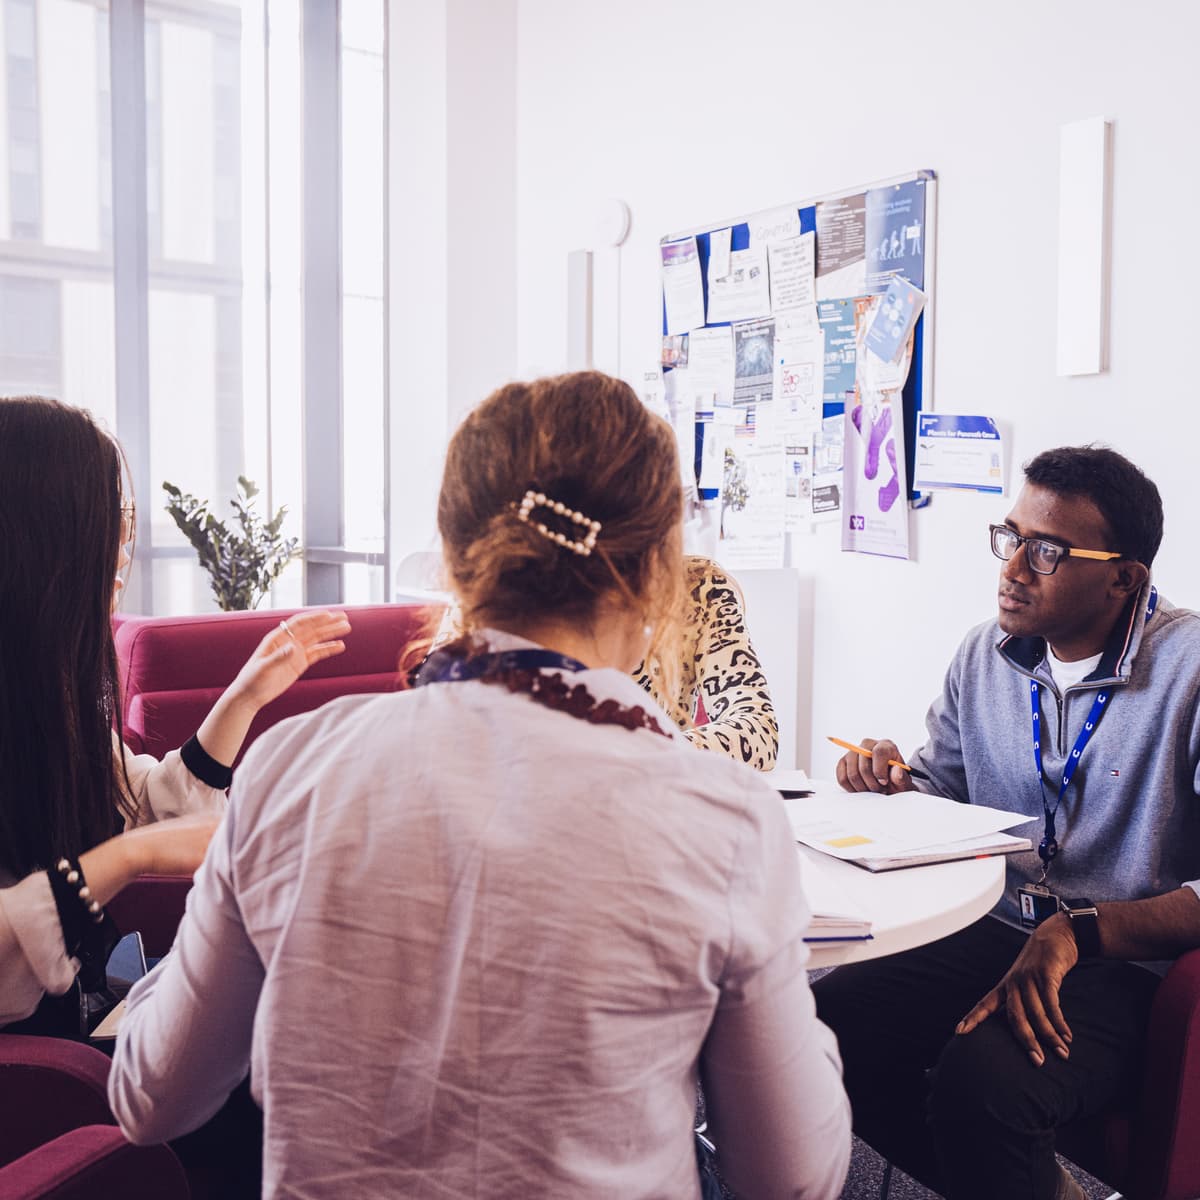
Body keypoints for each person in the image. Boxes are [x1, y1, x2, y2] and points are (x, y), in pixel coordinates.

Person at [108, 370, 851, 1199]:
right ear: (655, 578)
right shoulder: (724, 821)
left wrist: (204, 941)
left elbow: (148, 1098)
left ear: (458, 569)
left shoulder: (291, 770)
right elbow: (793, 1181)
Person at [815, 445, 1200, 1200]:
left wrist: (1080, 929)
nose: (1014, 567)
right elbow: (943, 788)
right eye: (1010, 536)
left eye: (1048, 550)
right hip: (998, 927)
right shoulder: (984, 654)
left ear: (1125, 576)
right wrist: (893, 780)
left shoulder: (1189, 671)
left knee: (985, 1085)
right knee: (819, 1029)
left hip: (1121, 958)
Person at [0, 394, 351, 1034]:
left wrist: (242, 698)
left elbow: (130, 799)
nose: (123, 550)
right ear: (42, 538)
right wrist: (133, 856)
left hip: (84, 1010)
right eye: (114, 522)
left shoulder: (44, 687)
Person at [636, 555, 779, 769]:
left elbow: (759, 729)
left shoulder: (697, 586)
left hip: (661, 788)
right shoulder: (569, 596)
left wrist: (660, 752)